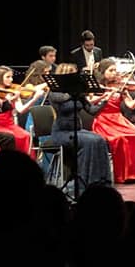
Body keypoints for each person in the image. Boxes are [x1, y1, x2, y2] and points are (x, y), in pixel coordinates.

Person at [47, 62, 112, 190]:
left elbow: (92, 110)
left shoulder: (77, 92)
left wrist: (105, 100)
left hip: (77, 130)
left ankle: (102, 181)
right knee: (90, 141)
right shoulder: (55, 92)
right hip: (61, 132)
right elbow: (64, 98)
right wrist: (78, 90)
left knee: (100, 139)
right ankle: (87, 182)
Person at [90, 59, 135, 183]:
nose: (115, 73)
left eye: (115, 70)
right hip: (104, 121)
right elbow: (91, 102)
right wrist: (106, 95)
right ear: (103, 72)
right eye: (111, 70)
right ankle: (122, 176)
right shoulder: (97, 88)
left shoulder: (120, 87)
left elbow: (131, 105)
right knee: (119, 139)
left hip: (119, 119)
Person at [0, 65, 46, 156]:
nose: (11, 79)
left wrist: (34, 99)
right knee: (11, 137)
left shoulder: (12, 91)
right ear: (0, 78)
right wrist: (8, 100)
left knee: (25, 136)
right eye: (8, 77)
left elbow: (21, 110)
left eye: (11, 76)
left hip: (9, 125)